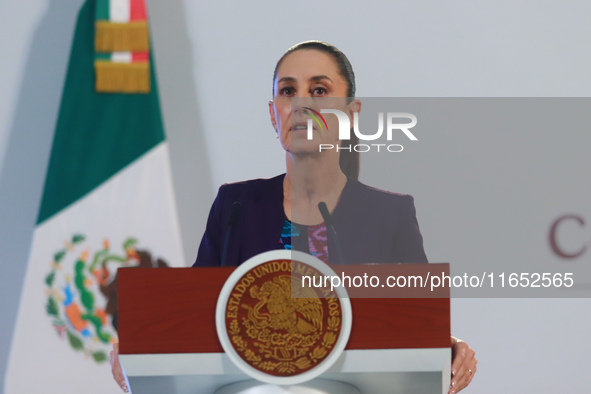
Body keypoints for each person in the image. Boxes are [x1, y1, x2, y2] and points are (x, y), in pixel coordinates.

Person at [111, 41, 477, 393]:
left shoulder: (390, 215)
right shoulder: (235, 206)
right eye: (288, 91)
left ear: (351, 114)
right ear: (274, 114)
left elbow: (417, 325)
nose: (301, 103)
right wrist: (138, 343)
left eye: (319, 91)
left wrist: (450, 347)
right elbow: (194, 316)